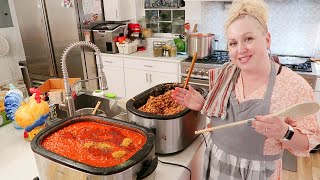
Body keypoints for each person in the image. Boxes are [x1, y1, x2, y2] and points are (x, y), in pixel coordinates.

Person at [172, 0, 320, 179]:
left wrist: (284, 132)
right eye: (233, 43)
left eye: (248, 39)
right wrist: (203, 105)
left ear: (267, 40)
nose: (240, 49)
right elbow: (222, 121)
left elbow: (307, 144)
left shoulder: (293, 86)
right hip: (216, 165)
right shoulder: (225, 75)